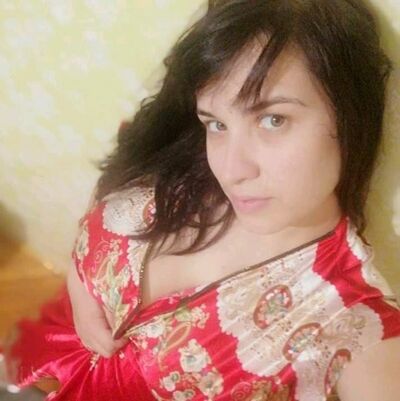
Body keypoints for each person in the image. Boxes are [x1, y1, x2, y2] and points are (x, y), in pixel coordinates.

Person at [4, 0, 400, 400]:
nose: (230, 169)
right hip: (36, 360)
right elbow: (110, 193)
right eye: (216, 123)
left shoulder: (351, 318)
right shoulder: (178, 155)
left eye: (273, 119)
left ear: (351, 117)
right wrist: (82, 296)